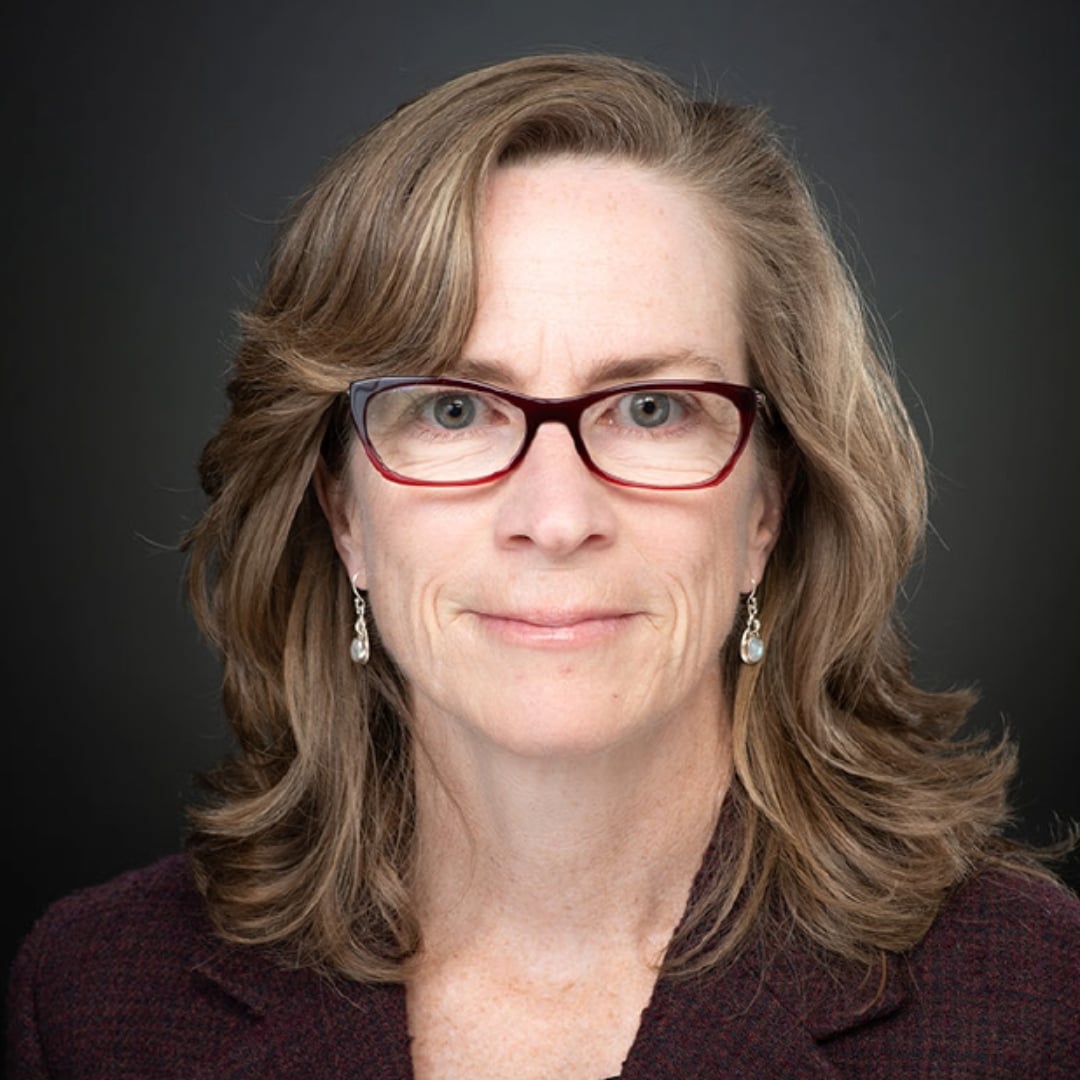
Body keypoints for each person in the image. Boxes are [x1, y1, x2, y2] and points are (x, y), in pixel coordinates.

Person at [7, 53, 1079, 1080]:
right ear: (343, 512)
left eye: (653, 408)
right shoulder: (97, 998)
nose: (556, 517)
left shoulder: (1039, 1002)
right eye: (455, 408)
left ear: (768, 502)